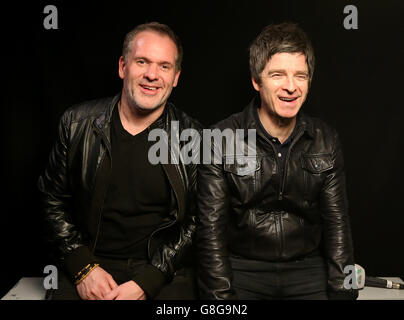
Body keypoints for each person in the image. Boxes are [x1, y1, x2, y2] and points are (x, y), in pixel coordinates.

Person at [38, 22, 202, 300]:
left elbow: (199, 219)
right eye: (142, 62)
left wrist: (150, 280)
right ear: (122, 67)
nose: (152, 74)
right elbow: (51, 199)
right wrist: (83, 267)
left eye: (164, 66)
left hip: (161, 268)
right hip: (89, 259)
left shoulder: (192, 136)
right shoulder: (76, 123)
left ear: (176, 77)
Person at [197, 22, 358, 300]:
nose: (291, 87)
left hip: (307, 271)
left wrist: (343, 293)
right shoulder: (218, 138)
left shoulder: (326, 139)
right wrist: (220, 301)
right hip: (242, 270)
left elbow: (337, 226)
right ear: (256, 80)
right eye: (278, 75)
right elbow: (210, 230)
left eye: (300, 76)